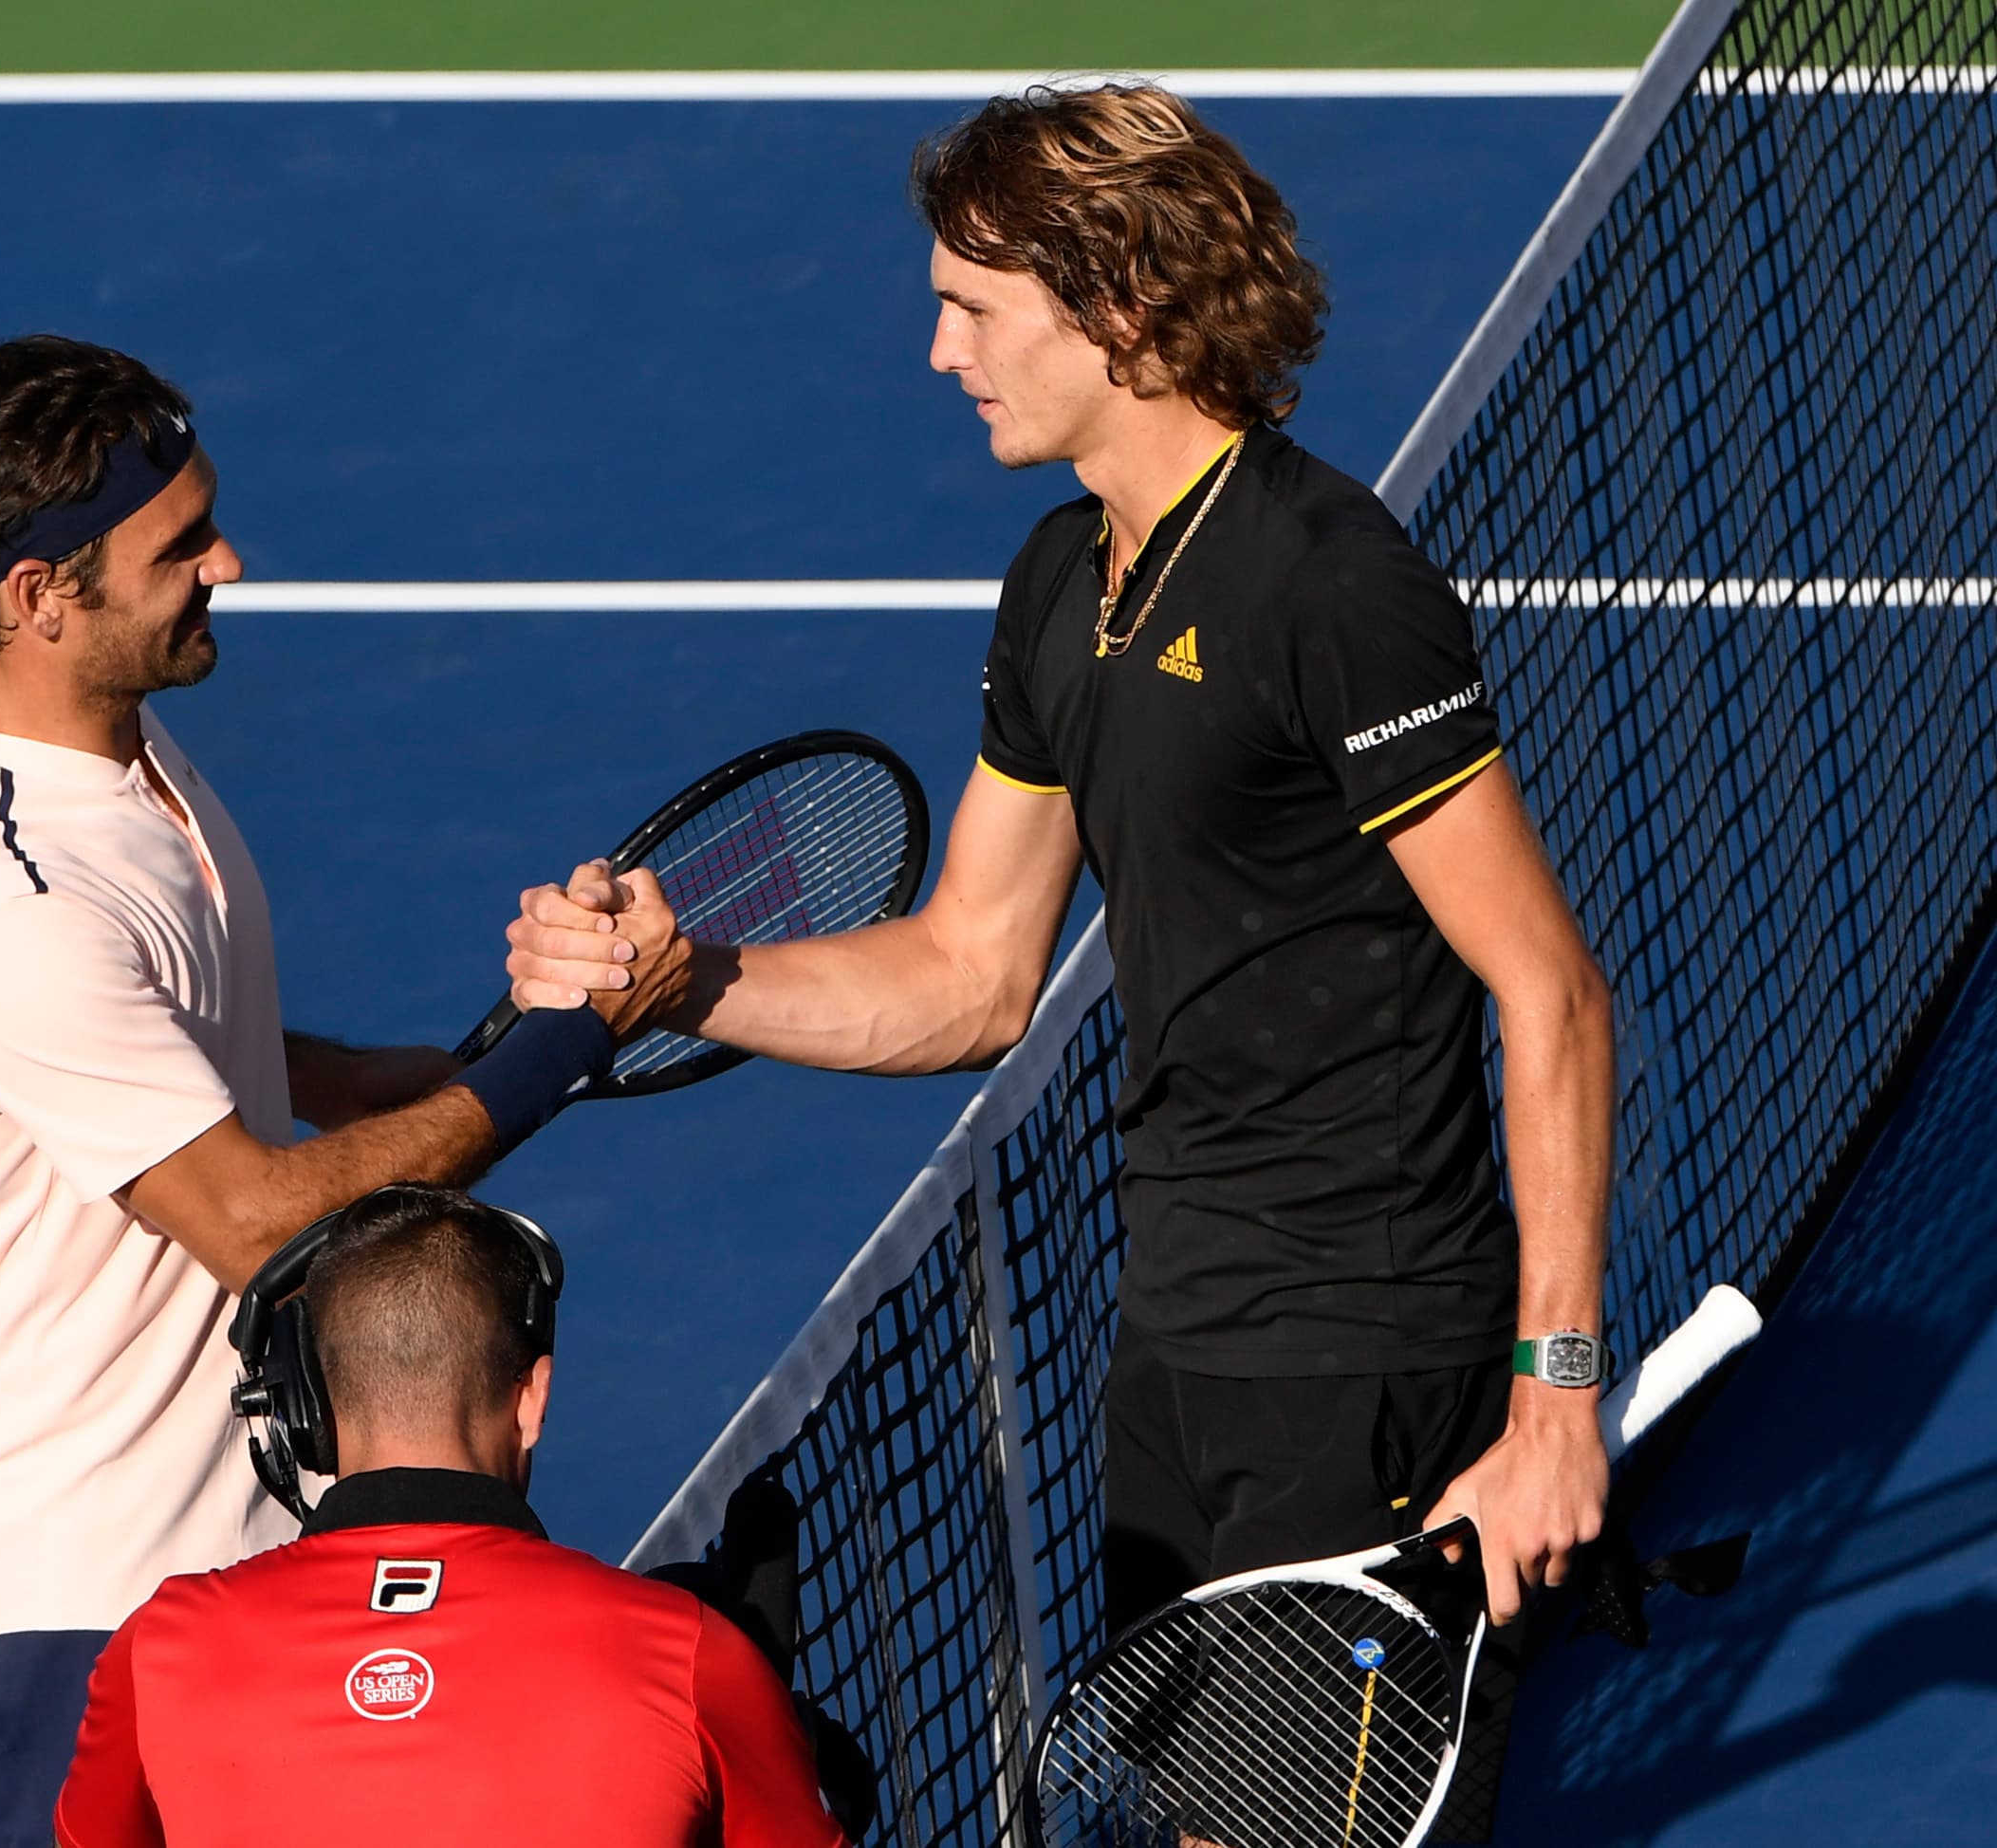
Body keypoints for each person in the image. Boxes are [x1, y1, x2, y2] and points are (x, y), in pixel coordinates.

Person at [505, 83, 1615, 1830]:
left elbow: (1545, 985)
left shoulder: (1329, 588)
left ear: (1118, 306)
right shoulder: (1057, 585)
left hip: (1354, 1342)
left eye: (971, 306)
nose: (936, 350)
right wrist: (684, 971)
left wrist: (1552, 1394)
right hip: (1174, 1338)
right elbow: (967, 971)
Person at [0, 335, 675, 1848]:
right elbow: (249, 1218)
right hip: (64, 1608)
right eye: (180, 546)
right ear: (37, 600)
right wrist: (559, 1055)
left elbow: (209, 1053)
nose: (229, 558)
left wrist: (452, 1069)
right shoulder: (1, 893)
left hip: (227, 1562)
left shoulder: (120, 750)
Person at [54, 1185, 846, 1848]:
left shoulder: (156, 1650)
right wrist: (778, 1737)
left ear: (311, 1411)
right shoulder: (692, 1657)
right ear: (530, 1399)